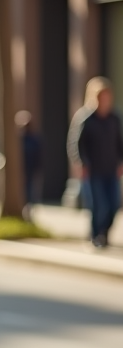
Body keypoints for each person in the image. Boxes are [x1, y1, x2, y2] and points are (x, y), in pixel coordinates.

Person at [71, 77, 123, 247]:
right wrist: (81, 163)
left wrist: (121, 163)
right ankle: (96, 235)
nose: (105, 100)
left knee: (114, 204)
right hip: (93, 171)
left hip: (111, 169)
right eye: (102, 96)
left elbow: (119, 143)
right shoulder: (85, 118)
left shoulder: (114, 118)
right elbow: (75, 144)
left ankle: (105, 233)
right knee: (98, 205)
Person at [16, 110, 43, 219]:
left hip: (31, 170)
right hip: (21, 171)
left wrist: (38, 168)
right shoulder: (18, 139)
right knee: (23, 192)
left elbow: (39, 155)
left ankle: (29, 212)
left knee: (30, 193)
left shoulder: (34, 139)